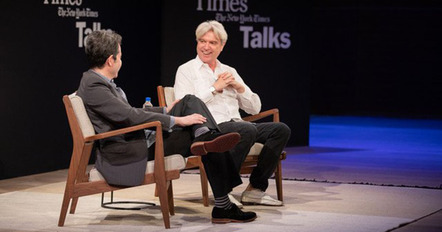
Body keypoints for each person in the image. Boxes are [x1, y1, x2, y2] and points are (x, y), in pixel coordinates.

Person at [76, 30, 257, 223]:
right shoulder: (95, 86)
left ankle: (206, 138)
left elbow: (125, 112)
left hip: (139, 142)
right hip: (128, 153)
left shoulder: (97, 82)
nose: (122, 60)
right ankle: (223, 206)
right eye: (120, 56)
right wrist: (176, 120)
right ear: (111, 60)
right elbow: (128, 116)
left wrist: (165, 109)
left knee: (189, 100)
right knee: (211, 139)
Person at [174, 20, 291, 207]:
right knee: (246, 130)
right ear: (197, 42)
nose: (206, 47)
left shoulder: (229, 71)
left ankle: (255, 189)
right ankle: (224, 192)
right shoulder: (186, 70)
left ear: (222, 46)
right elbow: (183, 106)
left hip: (237, 123)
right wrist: (214, 88)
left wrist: (239, 87)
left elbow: (255, 108)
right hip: (210, 127)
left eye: (212, 43)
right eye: (202, 41)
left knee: (280, 130)